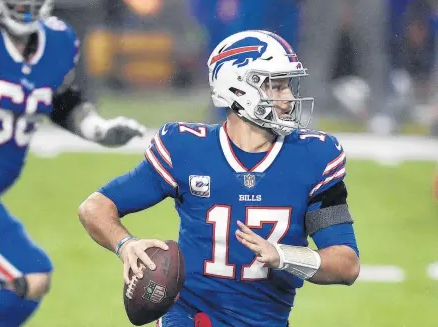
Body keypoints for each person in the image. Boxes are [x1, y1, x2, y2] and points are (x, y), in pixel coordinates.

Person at [79, 30, 360, 327]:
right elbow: (94, 207)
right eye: (276, 87)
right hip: (190, 316)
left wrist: (283, 255)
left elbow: (346, 264)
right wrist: (124, 244)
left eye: (287, 85)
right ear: (238, 89)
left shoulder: (313, 157)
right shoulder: (187, 149)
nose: (289, 98)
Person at [0, 0, 146, 326]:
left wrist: (97, 129)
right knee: (27, 273)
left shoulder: (57, 40)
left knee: (33, 276)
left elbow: (60, 98)